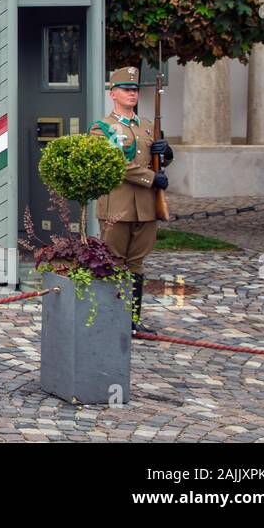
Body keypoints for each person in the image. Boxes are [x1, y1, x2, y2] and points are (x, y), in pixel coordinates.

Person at [89, 66, 174, 334]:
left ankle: (131, 320)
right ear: (113, 93)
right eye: (126, 89)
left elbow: (159, 160)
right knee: (113, 262)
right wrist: (151, 178)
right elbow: (118, 164)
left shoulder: (147, 127)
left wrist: (167, 152)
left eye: (135, 89)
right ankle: (109, 319)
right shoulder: (103, 128)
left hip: (146, 207)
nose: (132, 94)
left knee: (136, 264)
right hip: (118, 205)